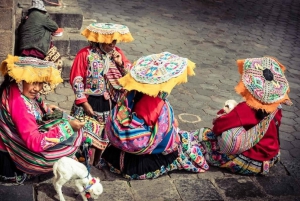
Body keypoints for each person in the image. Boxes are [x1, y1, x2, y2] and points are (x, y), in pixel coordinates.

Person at [100, 52, 209, 179]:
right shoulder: (159, 105)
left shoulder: (130, 95)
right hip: (139, 166)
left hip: (114, 156)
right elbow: (166, 135)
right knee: (183, 142)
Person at [199, 56, 292, 175]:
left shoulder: (245, 108)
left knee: (204, 137)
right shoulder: (277, 107)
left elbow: (218, 128)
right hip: (271, 158)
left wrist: (225, 111)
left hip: (252, 162)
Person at [0, 55, 85, 183]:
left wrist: (45, 107)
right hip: (10, 159)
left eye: (41, 83)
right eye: (34, 83)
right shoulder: (20, 105)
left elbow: (33, 102)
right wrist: (68, 128)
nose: (38, 88)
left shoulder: (15, 88)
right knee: (69, 131)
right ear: (21, 79)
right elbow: (35, 142)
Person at [69, 22, 134, 165]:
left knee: (105, 134)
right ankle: (86, 162)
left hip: (110, 101)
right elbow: (76, 79)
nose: (113, 44)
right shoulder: (85, 54)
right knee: (89, 135)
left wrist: (120, 63)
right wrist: (84, 103)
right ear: (100, 40)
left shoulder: (117, 53)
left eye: (115, 41)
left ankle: (98, 161)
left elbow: (129, 75)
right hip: (91, 101)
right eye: (109, 41)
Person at [17, 0, 62, 94]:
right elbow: (54, 27)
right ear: (42, 10)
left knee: (29, 70)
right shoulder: (41, 16)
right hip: (36, 48)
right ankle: (35, 89)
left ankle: (25, 88)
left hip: (23, 48)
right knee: (36, 71)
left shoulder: (28, 17)